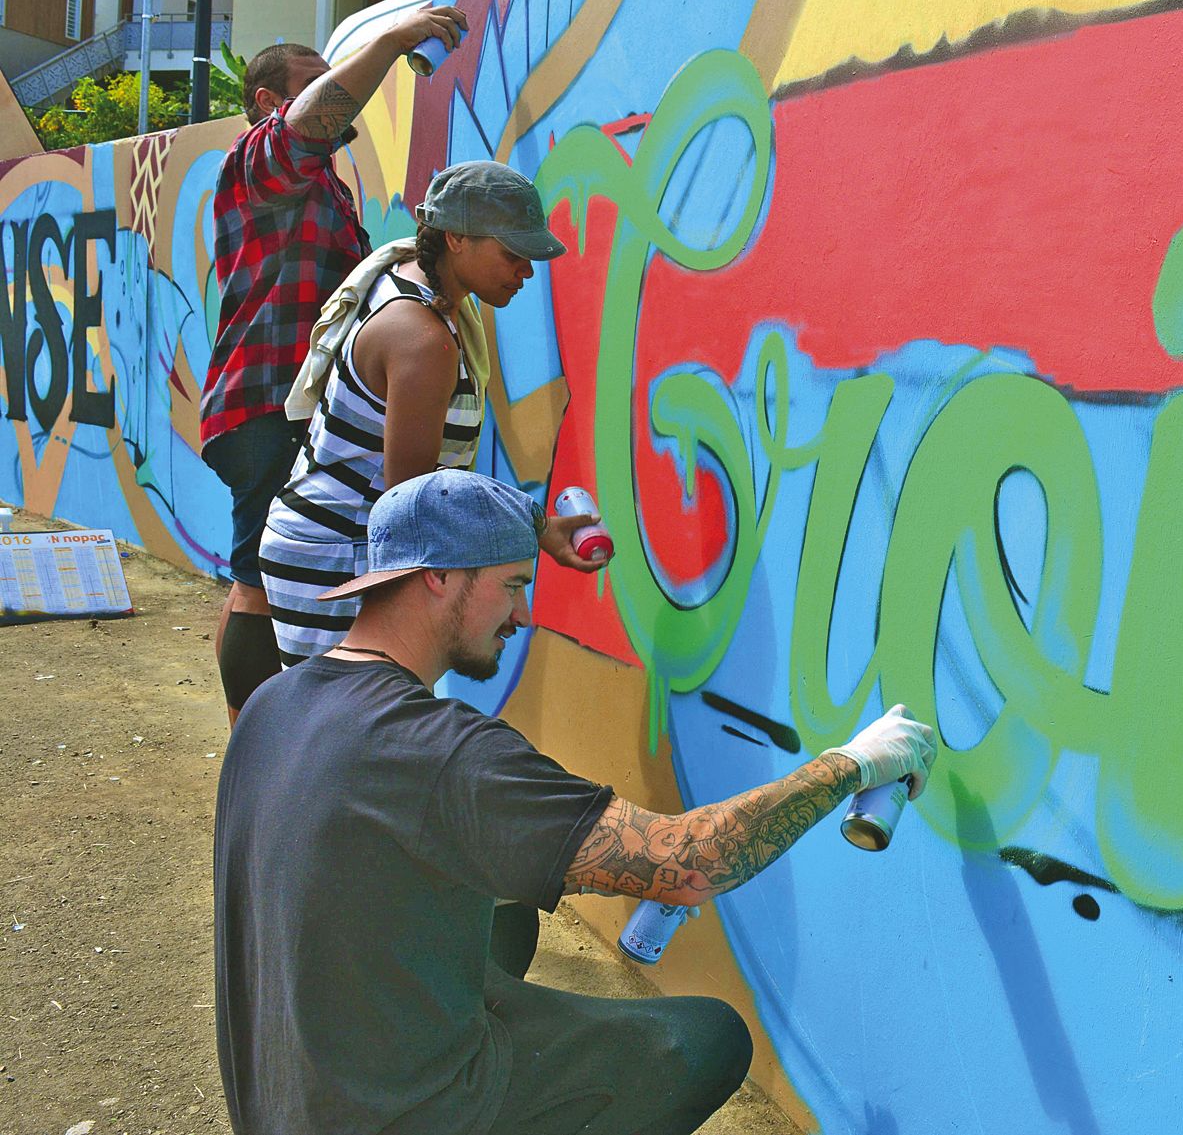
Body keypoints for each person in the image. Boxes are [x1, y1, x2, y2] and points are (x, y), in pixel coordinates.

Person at [214, 469, 938, 1134]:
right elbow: (690, 862)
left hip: (286, 1098)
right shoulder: (438, 750)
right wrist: (853, 763)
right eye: (511, 585)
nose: (522, 613)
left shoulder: (278, 702)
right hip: (390, 1112)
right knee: (707, 1038)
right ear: (436, 577)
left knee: (508, 912)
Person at [199, 7, 467, 723]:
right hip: (263, 399)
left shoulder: (320, 188)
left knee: (252, 579)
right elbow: (308, 125)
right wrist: (387, 39)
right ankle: (260, 746)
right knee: (261, 583)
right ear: (267, 102)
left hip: (271, 404)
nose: (340, 95)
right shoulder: (258, 160)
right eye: (317, 82)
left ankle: (253, 745)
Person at [257, 160, 605, 667]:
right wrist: (532, 525)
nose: (526, 270)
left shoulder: (416, 290)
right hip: (338, 554)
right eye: (512, 253)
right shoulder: (422, 338)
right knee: (342, 726)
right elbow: (414, 501)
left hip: (341, 545)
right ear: (457, 238)